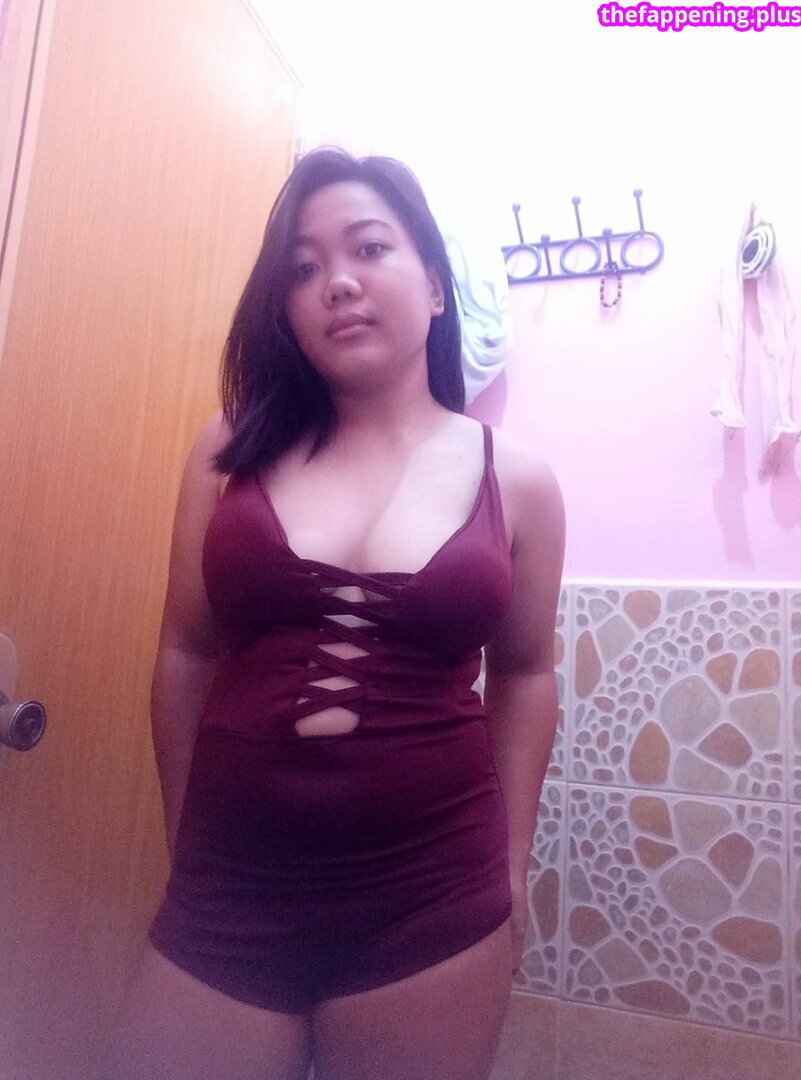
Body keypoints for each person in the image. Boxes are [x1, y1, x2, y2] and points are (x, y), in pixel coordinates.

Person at [99, 147, 565, 1080]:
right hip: (227, 889)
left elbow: (525, 673)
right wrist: (185, 839)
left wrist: (511, 862)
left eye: (369, 248)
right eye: (303, 267)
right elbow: (186, 652)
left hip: (433, 892)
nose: (337, 282)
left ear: (436, 286)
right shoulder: (227, 450)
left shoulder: (518, 480)